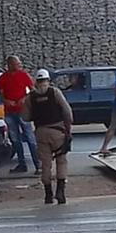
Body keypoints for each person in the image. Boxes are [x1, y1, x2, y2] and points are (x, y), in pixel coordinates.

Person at [23, 69, 74, 205]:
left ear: (36, 81)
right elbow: (67, 111)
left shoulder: (30, 98)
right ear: (48, 80)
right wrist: (68, 129)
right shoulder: (55, 92)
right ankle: (61, 192)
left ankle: (48, 195)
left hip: (41, 132)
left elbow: (25, 117)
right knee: (61, 161)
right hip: (58, 131)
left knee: (45, 165)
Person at [0, 55, 40, 174]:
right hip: (10, 112)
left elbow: (32, 91)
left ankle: (38, 165)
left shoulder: (24, 75)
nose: (19, 65)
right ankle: (22, 164)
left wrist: (24, 98)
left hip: (23, 111)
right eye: (17, 63)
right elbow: (0, 95)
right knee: (15, 139)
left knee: (30, 138)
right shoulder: (2, 78)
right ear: (10, 65)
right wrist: (6, 101)